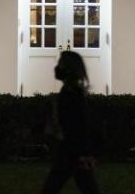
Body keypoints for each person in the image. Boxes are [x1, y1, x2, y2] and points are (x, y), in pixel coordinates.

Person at [39, 50, 101, 194]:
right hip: (71, 151)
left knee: (52, 187)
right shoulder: (70, 92)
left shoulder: (72, 95)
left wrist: (83, 154)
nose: (57, 68)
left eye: (60, 64)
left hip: (71, 151)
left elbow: (78, 125)